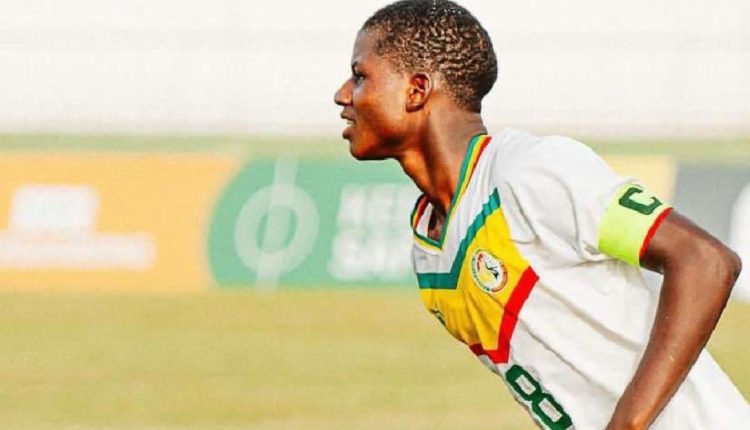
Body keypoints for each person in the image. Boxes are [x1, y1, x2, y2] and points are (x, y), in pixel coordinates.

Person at [333, 1, 747, 429]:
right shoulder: (429, 252)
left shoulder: (528, 171)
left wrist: (626, 424)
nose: (342, 95)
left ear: (416, 90)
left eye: (360, 76)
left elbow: (706, 260)